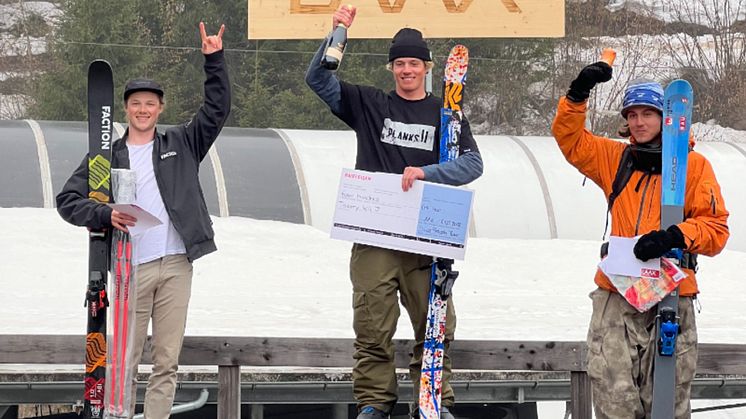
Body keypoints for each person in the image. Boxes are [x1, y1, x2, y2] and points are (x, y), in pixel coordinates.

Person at [306, 6, 483, 419]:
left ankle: (434, 402)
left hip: (426, 235)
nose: (407, 70)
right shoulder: (369, 103)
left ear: (426, 67)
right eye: (400, 63)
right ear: (391, 68)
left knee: (436, 326)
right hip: (374, 234)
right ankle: (374, 403)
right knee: (371, 326)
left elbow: (473, 164)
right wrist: (338, 33)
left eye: (414, 63)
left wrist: (427, 172)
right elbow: (317, 79)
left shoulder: (446, 113)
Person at [56, 22, 230, 419]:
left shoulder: (182, 143)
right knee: (124, 359)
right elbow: (67, 200)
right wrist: (105, 212)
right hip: (129, 268)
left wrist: (214, 60)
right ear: (126, 109)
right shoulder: (107, 157)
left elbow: (218, 110)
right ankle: (118, 415)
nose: (143, 109)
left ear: (160, 109)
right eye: (136, 103)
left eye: (150, 103)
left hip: (176, 265)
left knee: (167, 360)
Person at [551, 60, 729, 418]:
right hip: (617, 291)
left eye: (648, 113)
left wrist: (674, 236)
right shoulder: (616, 158)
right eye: (632, 115)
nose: (639, 122)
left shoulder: (693, 166)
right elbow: (570, 140)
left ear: (665, 117)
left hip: (672, 293)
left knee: (667, 399)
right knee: (613, 393)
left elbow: (716, 230)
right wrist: (577, 93)